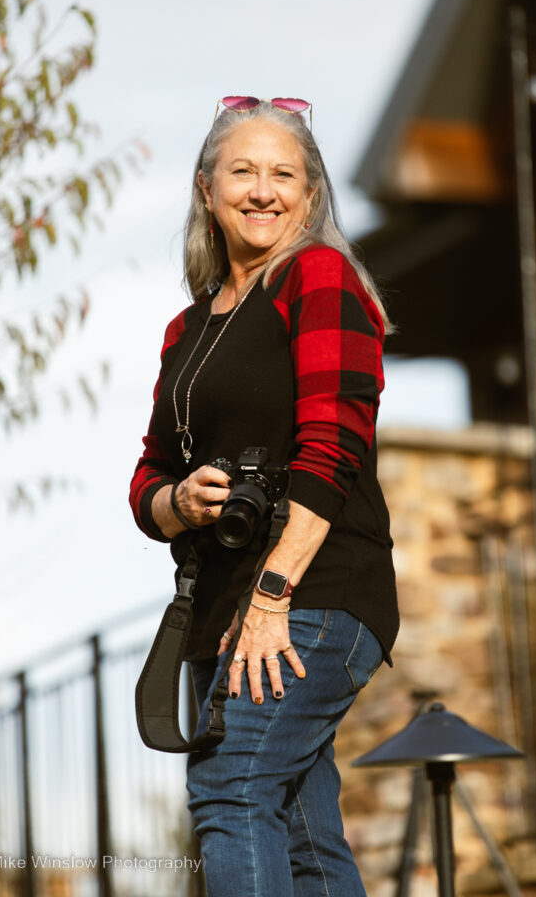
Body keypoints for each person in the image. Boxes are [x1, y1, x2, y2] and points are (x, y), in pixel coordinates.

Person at [129, 96, 399, 897]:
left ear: (310, 196)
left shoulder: (318, 276)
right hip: (222, 605)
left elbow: (333, 448)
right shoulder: (188, 329)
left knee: (231, 788)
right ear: (207, 188)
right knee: (304, 838)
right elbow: (146, 478)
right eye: (242, 170)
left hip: (309, 592)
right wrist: (183, 499)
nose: (262, 190)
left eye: (284, 174)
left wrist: (275, 592)